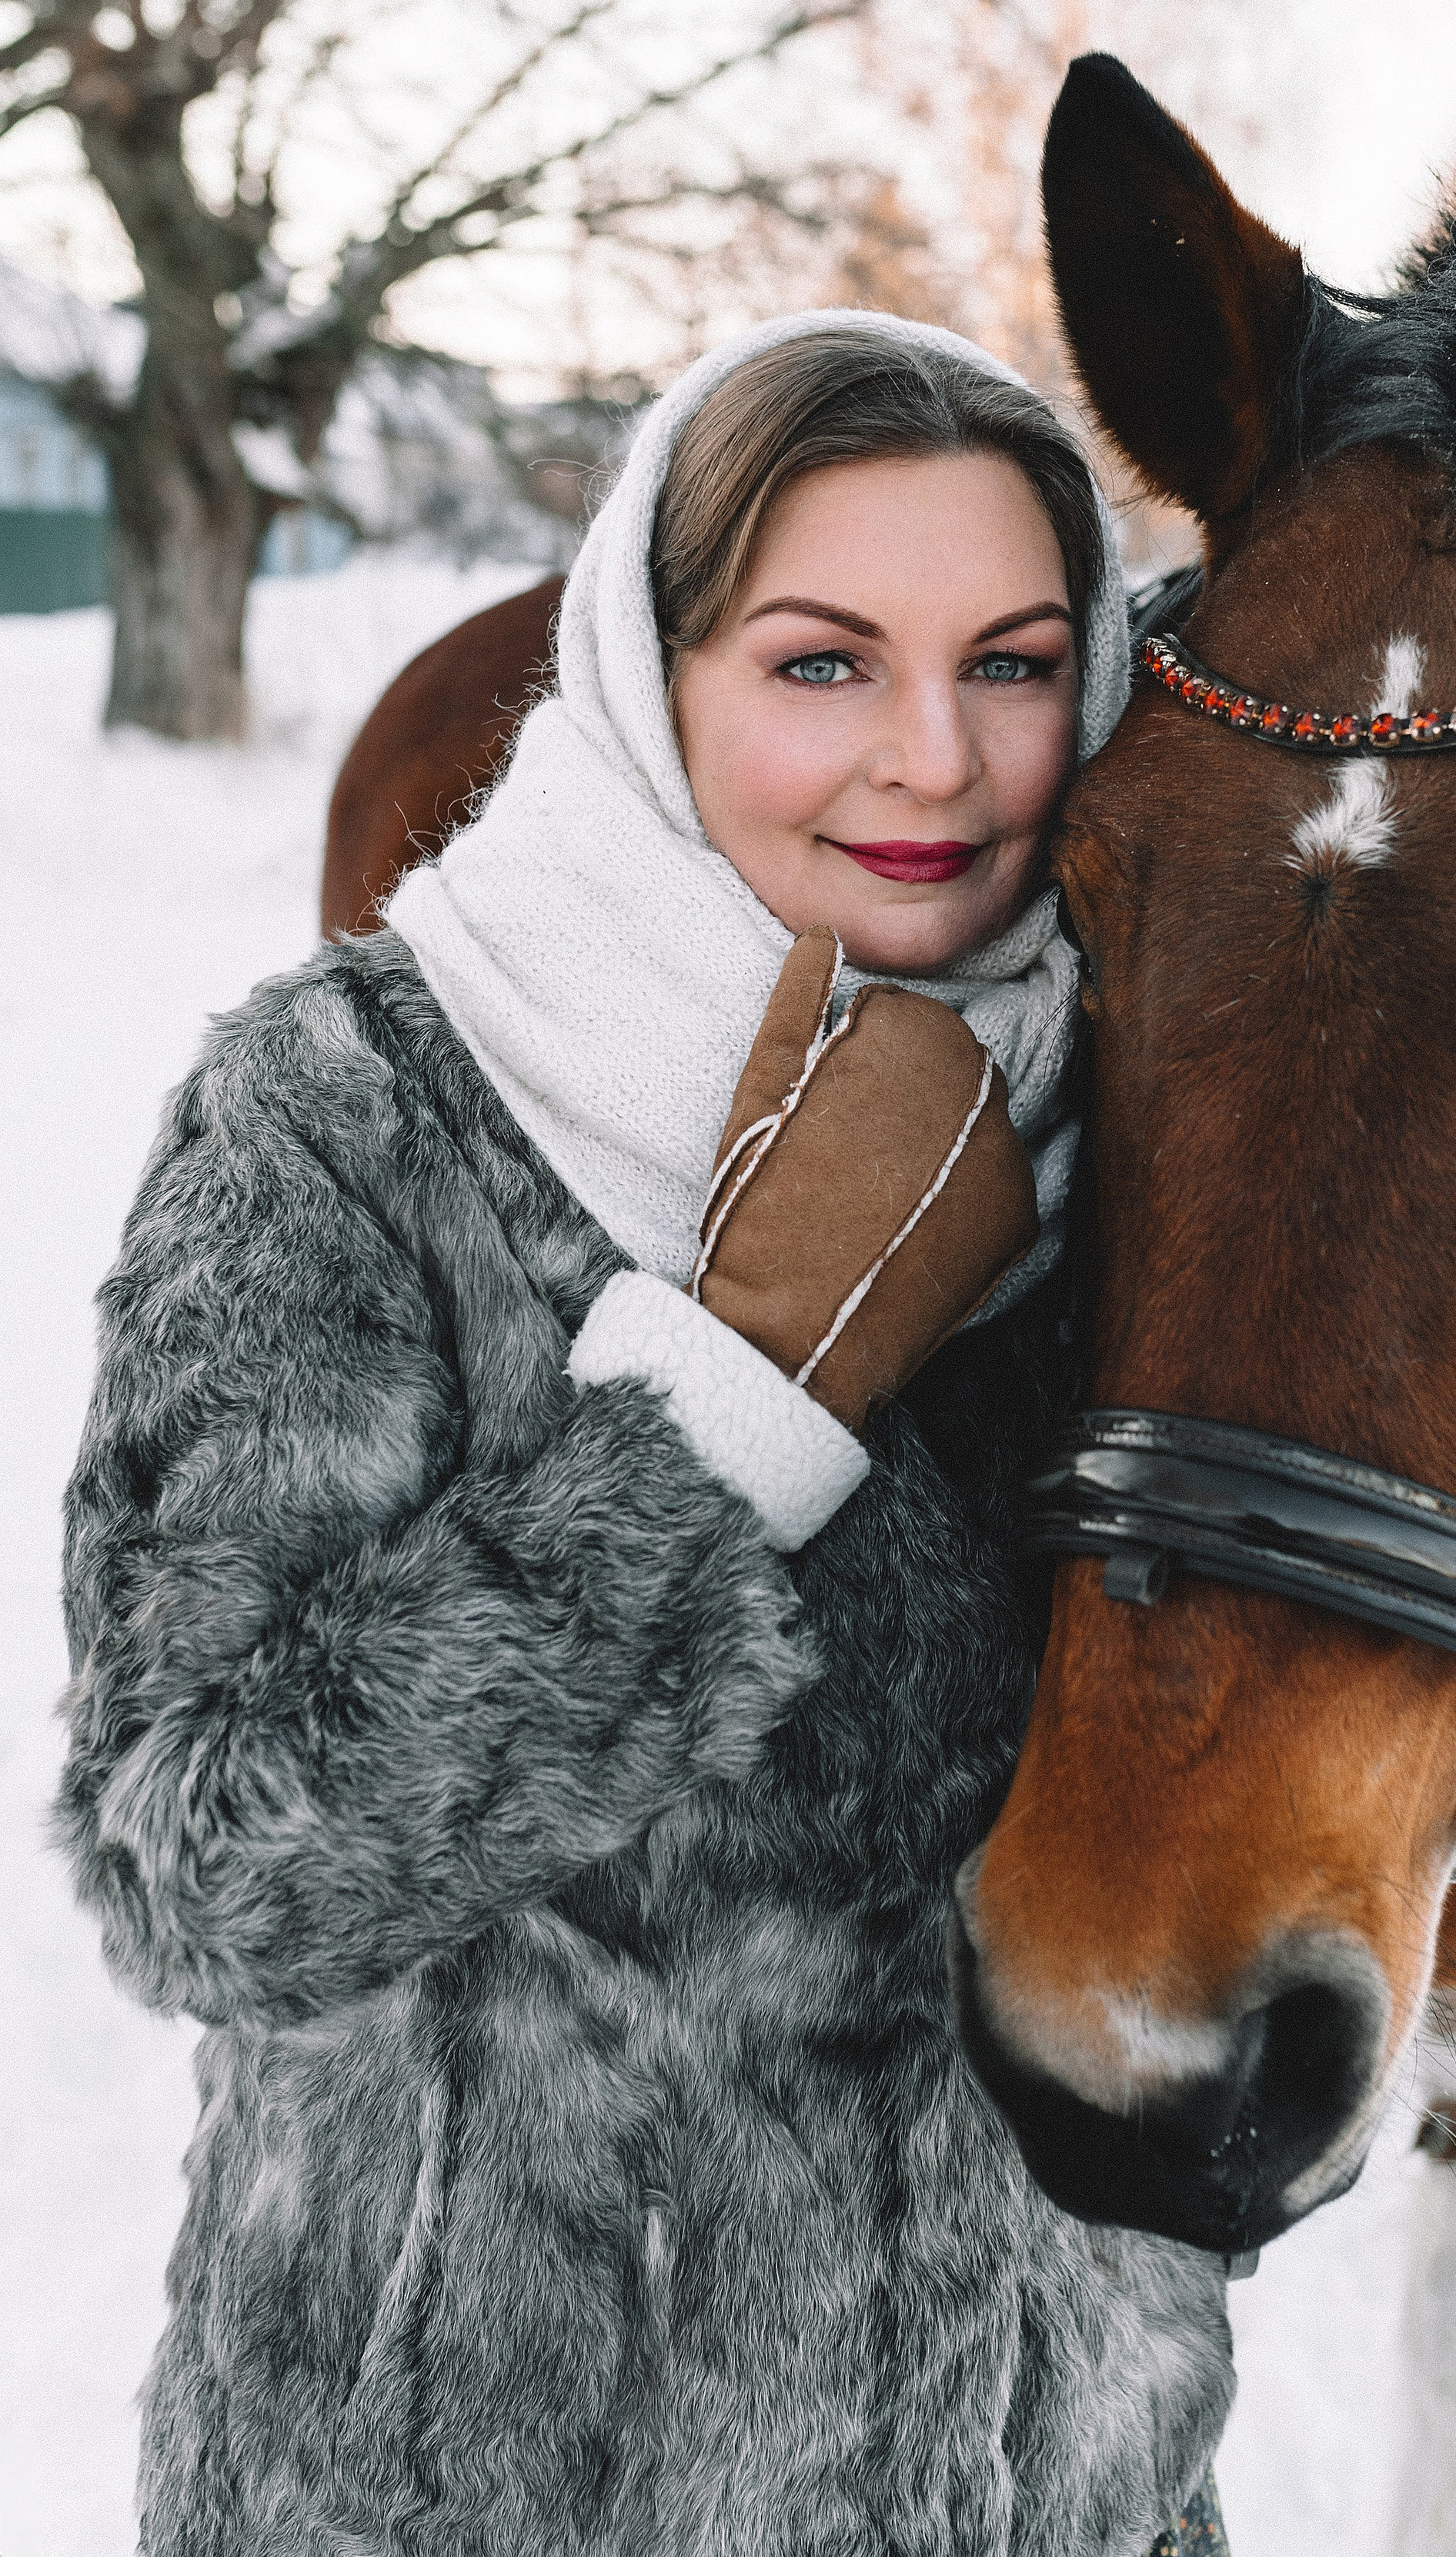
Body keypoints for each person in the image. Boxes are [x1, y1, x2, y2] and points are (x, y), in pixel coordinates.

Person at [58, 313, 1233, 2557]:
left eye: (1012, 661)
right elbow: (201, 1862)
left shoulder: (1163, 1126)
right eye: (821, 663)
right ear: (649, 664)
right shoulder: (353, 1113)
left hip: (1051, 2484)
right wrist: (742, 1389)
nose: (939, 760)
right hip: (462, 2500)